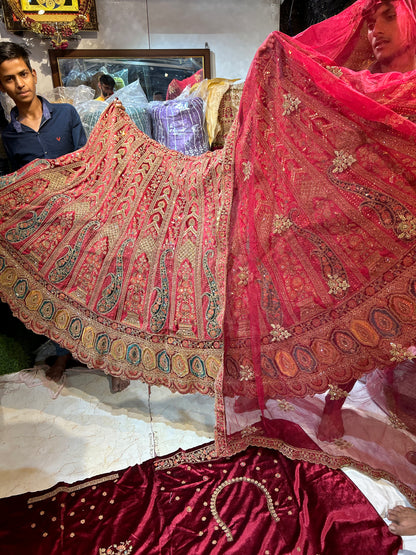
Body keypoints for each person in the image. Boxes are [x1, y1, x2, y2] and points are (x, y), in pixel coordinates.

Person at [0, 42, 128, 392]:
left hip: (81, 218)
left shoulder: (67, 115)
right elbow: (17, 184)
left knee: (97, 289)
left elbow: (90, 163)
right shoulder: (8, 135)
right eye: (9, 79)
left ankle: (112, 360)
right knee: (56, 295)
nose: (20, 84)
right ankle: (62, 354)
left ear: (34, 73)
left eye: (23, 74)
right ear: (2, 86)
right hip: (43, 229)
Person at [317, 0, 416, 443]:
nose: (375, 29)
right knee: (363, 330)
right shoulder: (363, 87)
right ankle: (333, 405)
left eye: (388, 15)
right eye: (370, 20)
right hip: (372, 231)